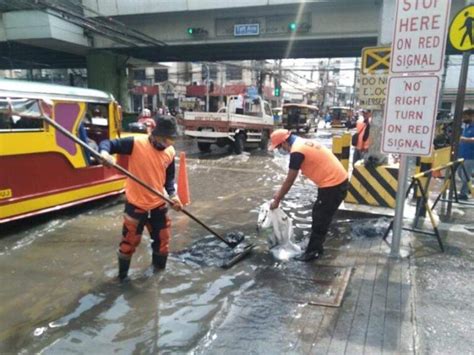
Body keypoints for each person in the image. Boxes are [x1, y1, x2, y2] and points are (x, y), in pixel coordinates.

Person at [99, 115, 183, 281]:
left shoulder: (170, 152)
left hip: (158, 204)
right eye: (167, 139)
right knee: (128, 243)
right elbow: (108, 143)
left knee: (163, 242)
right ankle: (122, 279)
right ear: (156, 135)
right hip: (136, 204)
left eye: (172, 140)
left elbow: (169, 178)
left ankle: (158, 277)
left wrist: (173, 196)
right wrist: (104, 154)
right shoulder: (136, 143)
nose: (169, 144)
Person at [269, 129, 348, 262]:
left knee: (320, 218)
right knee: (320, 215)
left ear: (284, 143)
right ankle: (317, 247)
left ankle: (312, 253)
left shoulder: (297, 151)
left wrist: (277, 199)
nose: (280, 151)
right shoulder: (303, 142)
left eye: (278, 147)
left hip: (333, 185)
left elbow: (290, 180)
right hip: (337, 182)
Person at [458, 109, 474, 200]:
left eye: (465, 117)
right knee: (460, 173)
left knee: (466, 175)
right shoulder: (467, 127)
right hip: (462, 155)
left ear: (472, 116)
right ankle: (468, 188)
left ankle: (463, 194)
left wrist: (464, 139)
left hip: (470, 155)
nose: (464, 119)